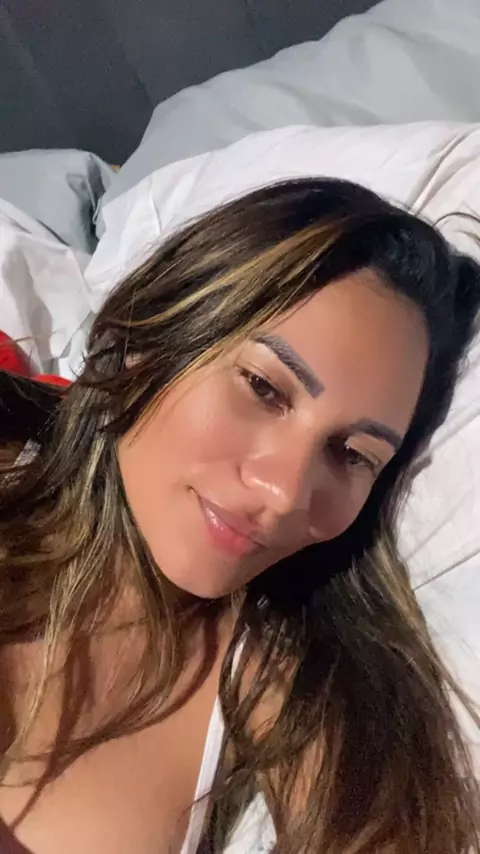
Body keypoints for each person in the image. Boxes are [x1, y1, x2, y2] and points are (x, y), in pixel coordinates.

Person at [0, 178, 479, 854]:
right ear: (150, 342)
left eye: (351, 454)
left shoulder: (291, 681)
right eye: (263, 388)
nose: (284, 493)